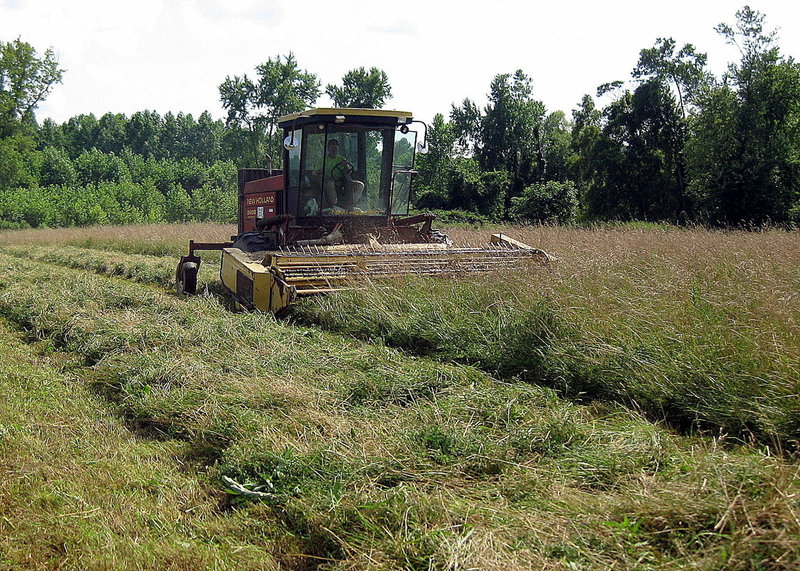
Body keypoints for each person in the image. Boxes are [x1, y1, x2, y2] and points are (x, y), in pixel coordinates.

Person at [312, 138, 364, 211]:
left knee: (360, 185)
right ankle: (334, 206)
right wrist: (318, 172)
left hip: (341, 182)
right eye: (332, 148)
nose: (334, 151)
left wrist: (346, 166)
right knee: (330, 183)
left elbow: (349, 172)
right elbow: (314, 173)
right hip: (327, 182)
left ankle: (350, 205)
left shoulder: (342, 159)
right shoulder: (322, 160)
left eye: (336, 149)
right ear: (328, 149)